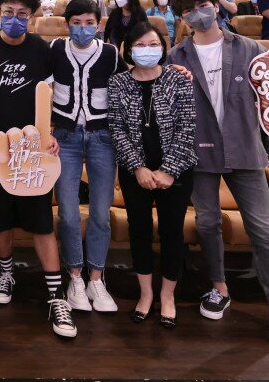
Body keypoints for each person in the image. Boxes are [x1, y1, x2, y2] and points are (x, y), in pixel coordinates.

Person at [168, 0, 269, 357]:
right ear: (183, 18)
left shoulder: (250, 48)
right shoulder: (176, 55)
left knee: (263, 232)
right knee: (207, 222)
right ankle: (219, 288)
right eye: (189, 10)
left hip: (245, 151)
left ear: (215, 5)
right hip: (199, 153)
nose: (198, 13)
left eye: (203, 4)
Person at [0, 0, 76, 338]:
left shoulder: (42, 51)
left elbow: (51, 101)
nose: (14, 20)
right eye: (8, 13)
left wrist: (50, 139)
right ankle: (6, 271)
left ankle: (56, 295)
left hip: (32, 153)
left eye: (22, 15)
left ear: (32, 18)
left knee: (42, 223)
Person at [108, 22, 196, 327]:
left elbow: (188, 126)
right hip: (136, 170)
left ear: (163, 46)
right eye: (140, 45)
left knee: (172, 232)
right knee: (140, 231)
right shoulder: (117, 83)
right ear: (129, 49)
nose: (147, 50)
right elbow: (116, 128)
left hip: (177, 170)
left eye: (153, 44)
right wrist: (138, 167)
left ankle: (168, 296)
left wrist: (169, 170)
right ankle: (145, 294)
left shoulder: (179, 79)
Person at [47, 0, 126, 315]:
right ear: (67, 24)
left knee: (99, 212)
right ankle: (75, 276)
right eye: (76, 22)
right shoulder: (54, 49)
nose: (83, 28)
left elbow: (126, 88)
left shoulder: (110, 54)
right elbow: (39, 88)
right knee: (66, 211)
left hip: (101, 138)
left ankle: (97, 276)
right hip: (63, 137)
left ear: (99, 23)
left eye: (89, 22)